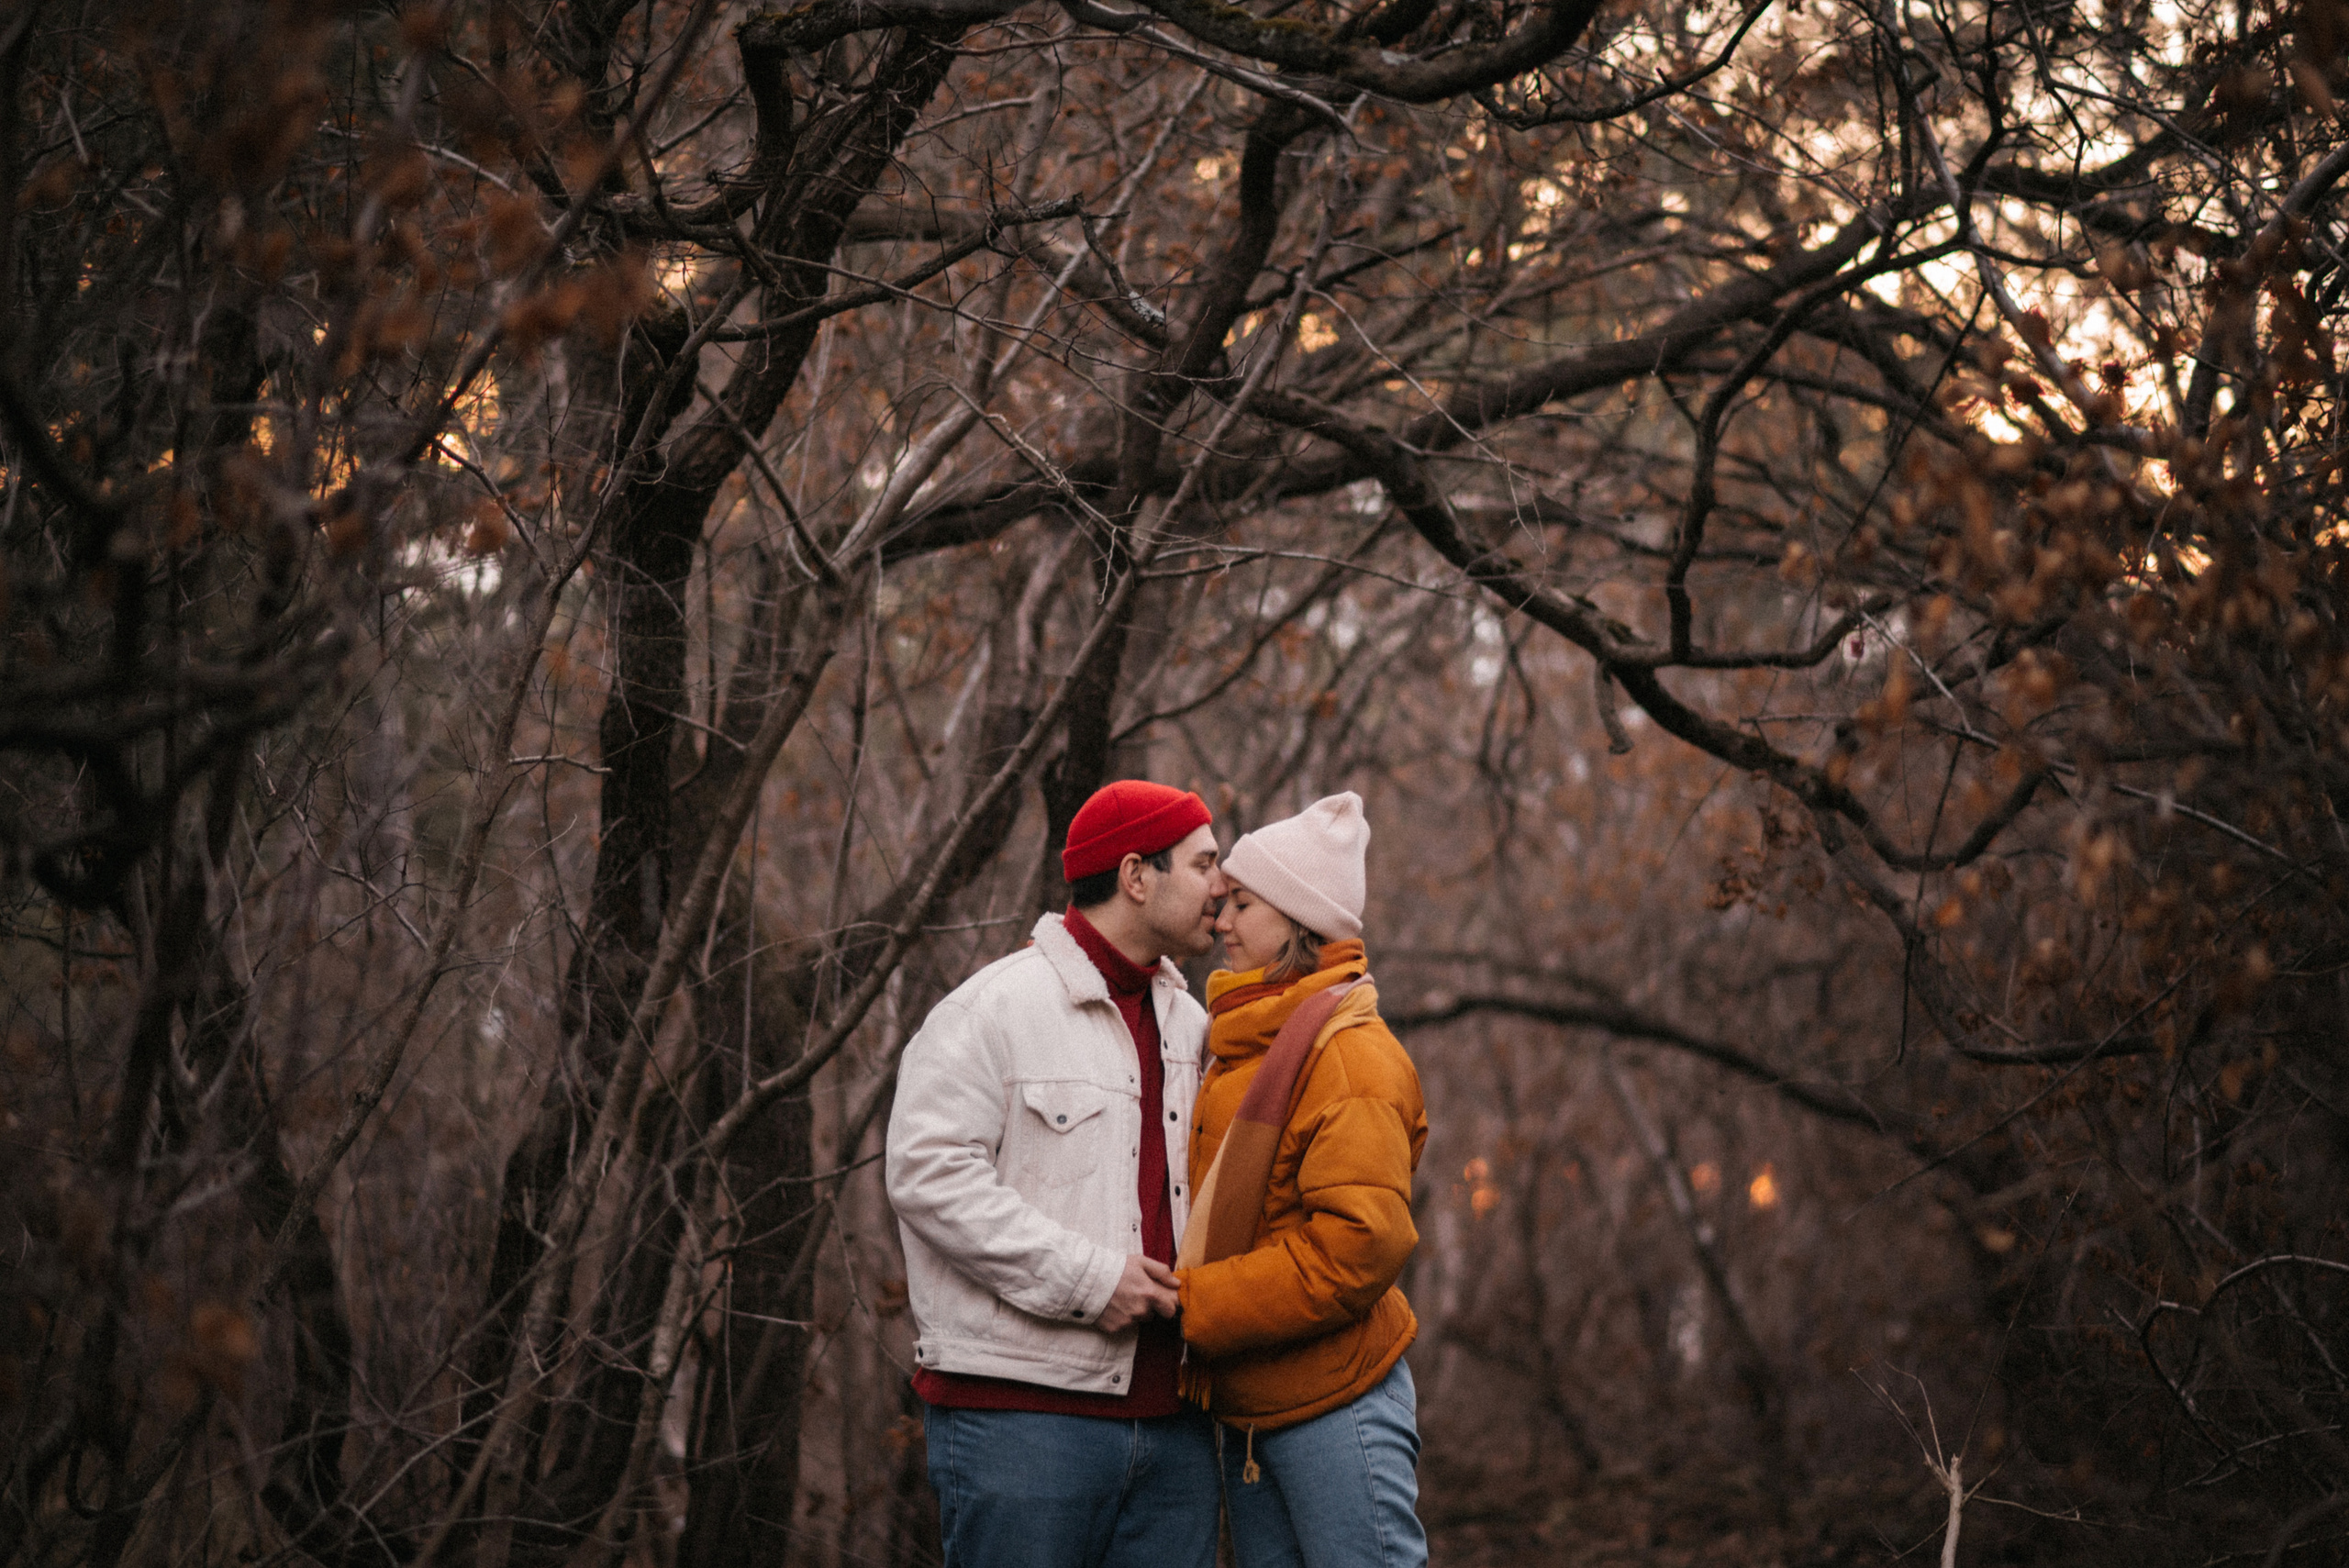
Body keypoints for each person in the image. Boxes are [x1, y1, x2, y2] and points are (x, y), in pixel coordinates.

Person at [885, 779, 1228, 1568]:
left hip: (1178, 1427)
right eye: (1205, 863)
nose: (1222, 885)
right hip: (1023, 1424)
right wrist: (1089, 1279)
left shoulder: (1197, 1025)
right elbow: (929, 1175)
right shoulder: (990, 1012)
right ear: (1138, 876)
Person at [1174, 791, 1431, 1568]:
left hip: (1337, 1408)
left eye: (1241, 903)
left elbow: (1359, 1245)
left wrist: (1197, 1302)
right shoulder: (1242, 1048)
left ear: (1295, 916)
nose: (1220, 922)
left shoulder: (1346, 1052)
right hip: (1252, 1416)